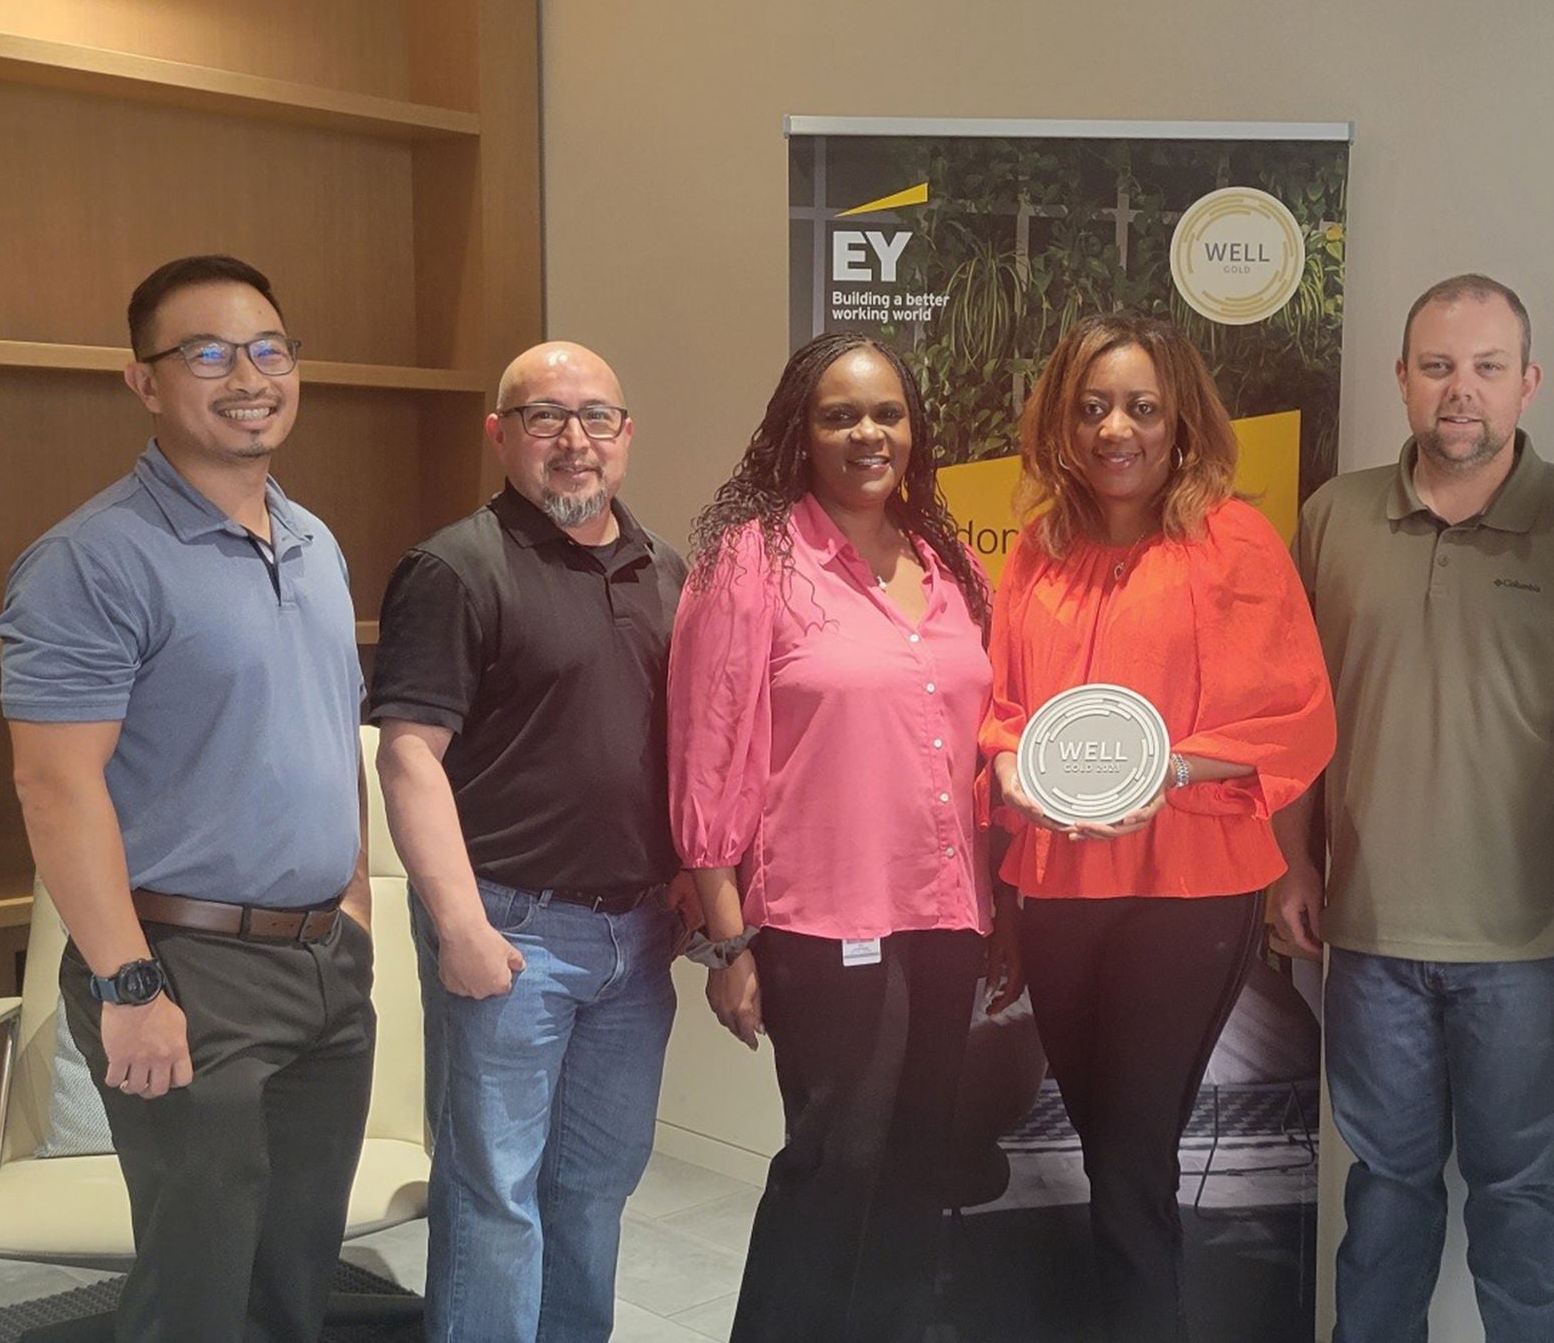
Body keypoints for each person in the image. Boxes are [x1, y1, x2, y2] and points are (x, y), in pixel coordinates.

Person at [0, 254, 374, 1342]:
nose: (248, 376)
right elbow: (54, 784)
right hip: (181, 964)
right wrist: (129, 983)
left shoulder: (314, 541)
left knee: (296, 1271)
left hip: (324, 961)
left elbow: (329, 738)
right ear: (145, 382)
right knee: (199, 1286)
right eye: (207, 353)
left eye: (268, 349)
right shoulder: (92, 560)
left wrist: (351, 907)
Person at [1273, 273, 1554, 1342]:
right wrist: (1290, 862)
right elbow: (1294, 711)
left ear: (1528, 382)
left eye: (1487, 367)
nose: (1460, 391)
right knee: (1385, 1197)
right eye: (1438, 367)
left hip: (1534, 937)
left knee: (1518, 1198)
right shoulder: (1334, 516)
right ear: (1401, 378)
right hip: (1369, 932)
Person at [981, 313, 1335, 1343]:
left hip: (1186, 886)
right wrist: (1011, 766)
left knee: (1131, 1155)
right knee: (1106, 1148)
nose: (1115, 429)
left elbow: (1292, 711)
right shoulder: (1039, 551)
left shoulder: (1234, 542)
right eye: (1092, 407)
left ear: (1179, 420)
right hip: (1057, 887)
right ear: (1061, 421)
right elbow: (1003, 709)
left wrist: (1167, 768)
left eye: (1141, 407)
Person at [669, 331, 1008, 1343]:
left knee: (918, 1164)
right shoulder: (753, 561)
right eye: (840, 415)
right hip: (822, 921)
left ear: (914, 429)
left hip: (946, 915)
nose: (869, 434)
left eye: (887, 413)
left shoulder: (948, 565)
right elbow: (706, 756)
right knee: (837, 1162)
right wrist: (728, 942)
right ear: (799, 433)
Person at [368, 341, 689, 1343]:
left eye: (596, 417)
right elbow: (407, 756)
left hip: (638, 938)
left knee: (595, 1185)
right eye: (544, 416)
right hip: (512, 931)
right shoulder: (455, 568)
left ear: (626, 434)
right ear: (499, 435)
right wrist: (460, 925)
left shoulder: (665, 571)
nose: (573, 440)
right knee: (493, 1195)